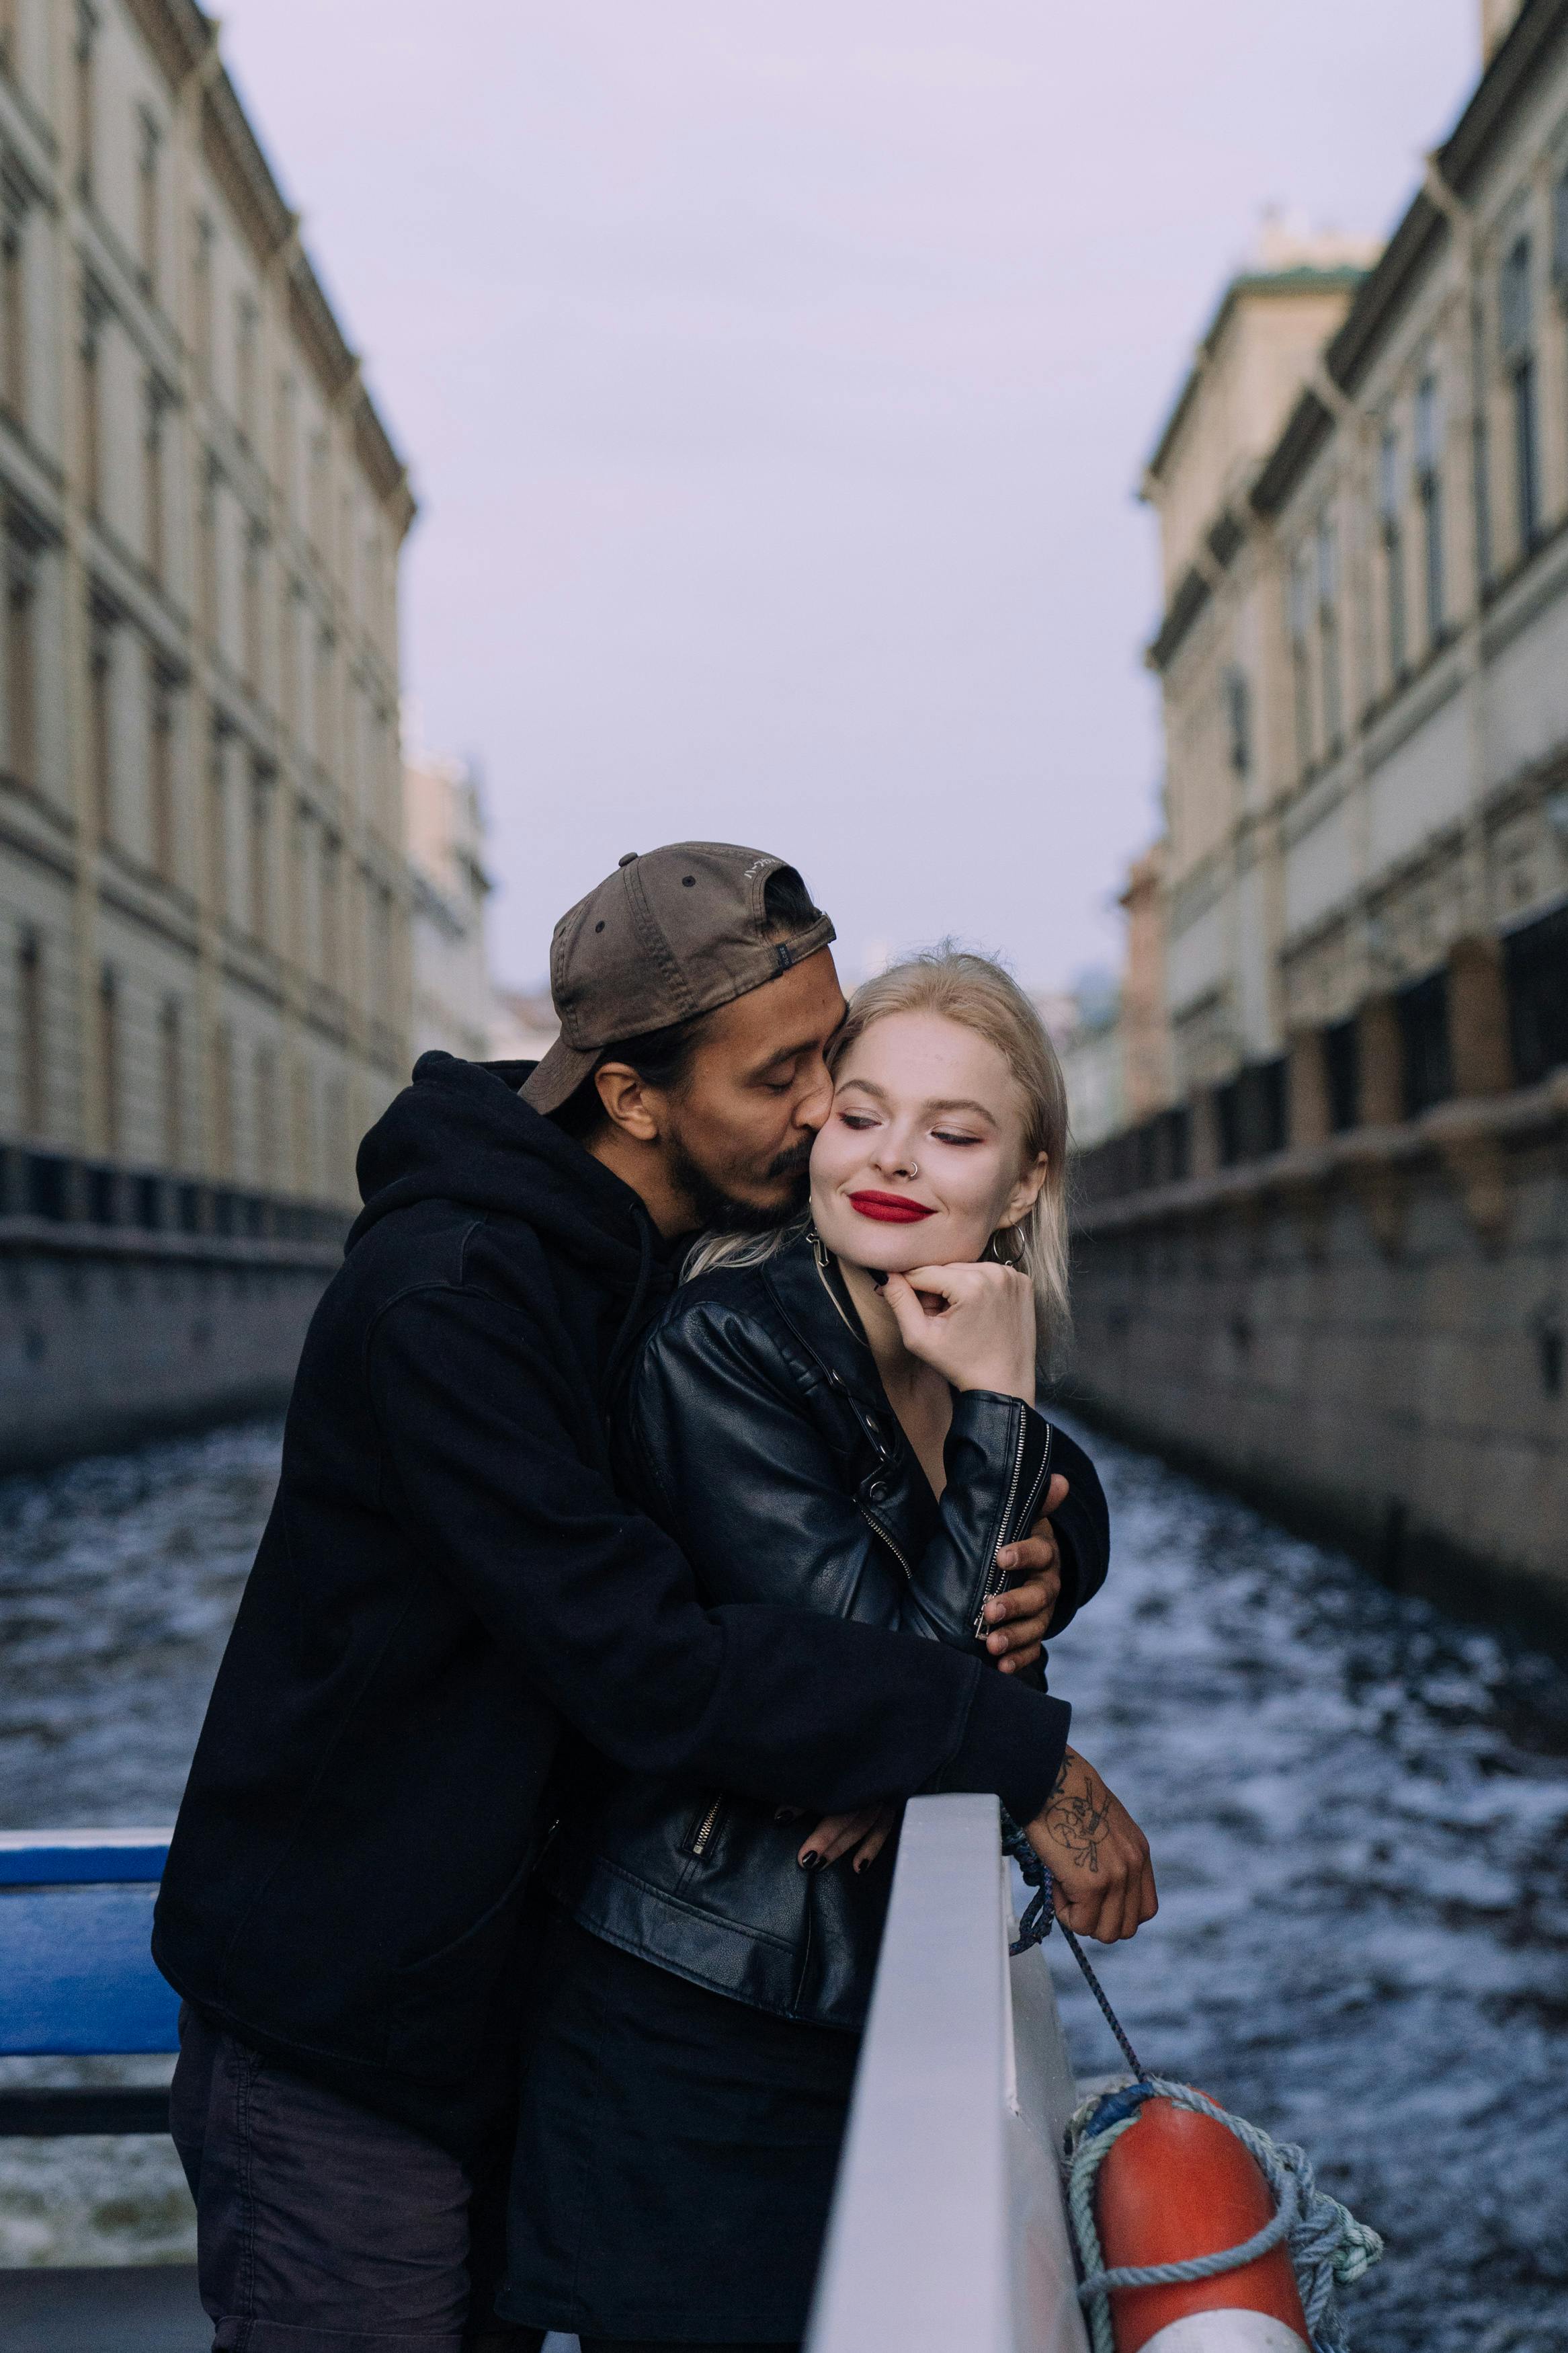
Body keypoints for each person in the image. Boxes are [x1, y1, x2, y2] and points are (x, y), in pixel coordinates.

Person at [153, 845, 1130, 2353]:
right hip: (346, 2024)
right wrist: (1007, 1745)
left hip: (503, 1992)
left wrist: (1066, 1527)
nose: (826, 1111)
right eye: (788, 1077)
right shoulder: (454, 1302)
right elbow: (651, 1666)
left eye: (834, 1051)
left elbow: (888, 1433)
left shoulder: (669, 1234)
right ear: (633, 1098)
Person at [499, 947, 1156, 2353]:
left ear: (1026, 1179)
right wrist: (1001, 1408)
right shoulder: (723, 1348)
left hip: (843, 1997)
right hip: (701, 2011)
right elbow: (901, 1682)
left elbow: (963, 1622)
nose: (892, 1160)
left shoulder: (924, 1336)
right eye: (861, 1113)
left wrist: (1062, 1526)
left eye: (954, 1132)